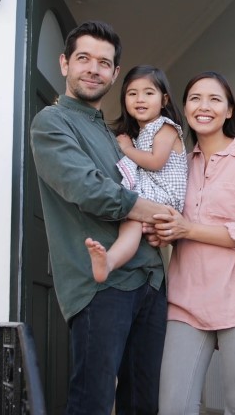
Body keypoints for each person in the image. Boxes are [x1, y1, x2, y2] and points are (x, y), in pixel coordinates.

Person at [29, 21, 169, 415]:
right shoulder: (52, 123)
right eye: (83, 58)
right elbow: (89, 190)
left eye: (104, 62)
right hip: (101, 288)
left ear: (114, 73)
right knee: (91, 401)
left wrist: (156, 229)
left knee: (143, 404)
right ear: (64, 64)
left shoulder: (109, 134)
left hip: (150, 280)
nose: (93, 68)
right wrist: (156, 213)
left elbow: (134, 185)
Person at [152, 71, 235, 415]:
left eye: (214, 99)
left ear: (228, 110)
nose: (203, 106)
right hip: (186, 299)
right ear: (184, 108)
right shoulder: (177, 164)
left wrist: (187, 230)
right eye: (194, 98)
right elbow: (162, 214)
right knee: (174, 407)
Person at [86, 64, 187, 283]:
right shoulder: (140, 133)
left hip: (166, 195)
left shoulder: (165, 127)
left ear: (164, 100)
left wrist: (127, 149)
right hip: (153, 193)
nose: (140, 99)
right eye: (132, 94)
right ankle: (109, 262)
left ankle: (111, 260)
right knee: (130, 223)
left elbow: (156, 162)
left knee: (130, 215)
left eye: (149, 93)